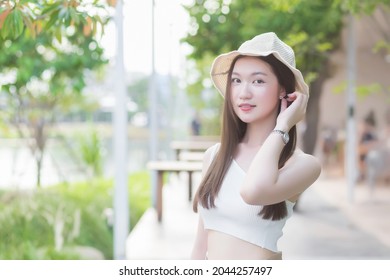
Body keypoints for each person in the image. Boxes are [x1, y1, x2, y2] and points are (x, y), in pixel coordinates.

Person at [190, 32, 321, 260]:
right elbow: (200, 247)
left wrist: (282, 126)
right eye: (236, 80)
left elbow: (253, 192)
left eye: (258, 81)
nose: (244, 93)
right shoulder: (214, 156)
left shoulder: (303, 165)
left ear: (283, 90)